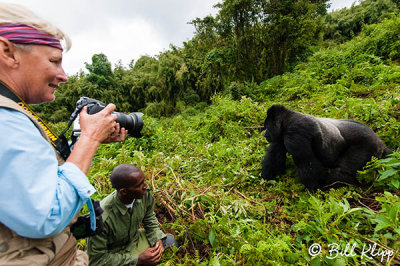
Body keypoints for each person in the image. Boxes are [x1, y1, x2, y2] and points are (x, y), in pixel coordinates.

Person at [0, 3, 127, 265]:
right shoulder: (5, 119)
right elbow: (46, 214)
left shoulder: (13, 111)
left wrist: (84, 140)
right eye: (54, 61)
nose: (64, 75)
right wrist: (89, 140)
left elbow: (33, 176)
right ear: (7, 52)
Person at [86, 164, 178, 265]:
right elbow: (96, 260)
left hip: (134, 242)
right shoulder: (100, 219)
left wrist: (156, 238)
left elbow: (149, 218)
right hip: (113, 254)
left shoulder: (143, 195)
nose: (145, 186)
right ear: (124, 191)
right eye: (139, 185)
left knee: (169, 242)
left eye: (144, 181)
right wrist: (137, 260)